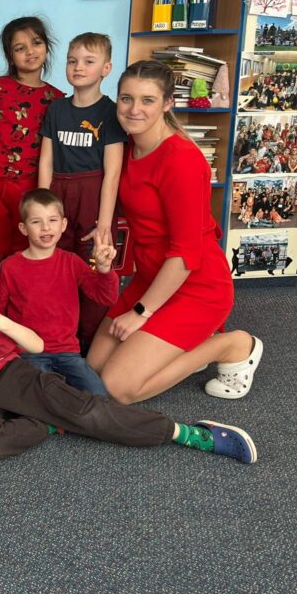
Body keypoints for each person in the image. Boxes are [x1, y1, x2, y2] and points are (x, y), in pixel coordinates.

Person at [0, 236, 257, 465]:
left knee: (90, 412)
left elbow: (35, 345)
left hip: (7, 375)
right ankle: (52, 422)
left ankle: (188, 433)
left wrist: (1, 323)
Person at [87, 60, 263, 403]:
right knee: (94, 368)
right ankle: (185, 343)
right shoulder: (125, 147)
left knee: (118, 387)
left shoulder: (182, 159)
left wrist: (141, 313)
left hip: (196, 284)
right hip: (151, 277)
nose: (134, 110)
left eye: (147, 100)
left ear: (168, 103)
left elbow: (186, 254)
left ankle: (230, 345)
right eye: (126, 98)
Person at [37, 32, 126, 351]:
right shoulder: (57, 109)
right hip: (58, 192)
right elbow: (46, 161)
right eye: (72, 61)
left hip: (93, 194)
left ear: (106, 68)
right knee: (56, 262)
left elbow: (112, 173)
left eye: (89, 61)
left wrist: (104, 223)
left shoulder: (110, 113)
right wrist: (42, 208)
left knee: (93, 264)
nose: (78, 67)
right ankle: (58, 334)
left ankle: (90, 341)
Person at [0, 16, 64, 298]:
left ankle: (23, 306)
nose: (30, 52)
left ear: (47, 47)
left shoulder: (56, 99)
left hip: (30, 185)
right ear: (10, 56)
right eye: (20, 48)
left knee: (27, 246)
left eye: (36, 43)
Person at [0, 189, 115, 396]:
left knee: (99, 397)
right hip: (28, 353)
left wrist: (104, 270)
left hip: (68, 353)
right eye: (36, 222)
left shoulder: (71, 262)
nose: (46, 227)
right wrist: (4, 354)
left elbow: (106, 297)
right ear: (23, 228)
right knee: (38, 398)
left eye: (52, 220)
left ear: (63, 225)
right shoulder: (10, 267)